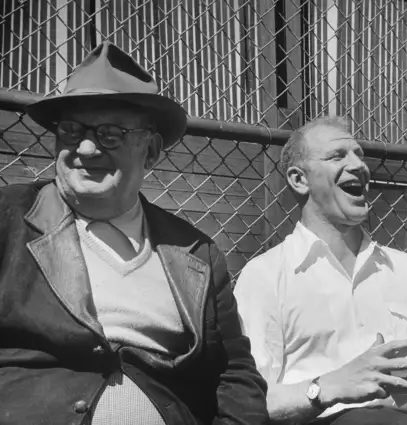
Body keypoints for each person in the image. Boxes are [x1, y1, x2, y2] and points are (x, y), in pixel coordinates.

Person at [0, 41, 268, 425]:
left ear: (151, 150)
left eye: (110, 134)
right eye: (72, 130)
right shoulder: (9, 218)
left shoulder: (195, 252)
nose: (86, 148)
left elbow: (235, 375)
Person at [233, 117, 407, 425]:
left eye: (359, 154)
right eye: (338, 156)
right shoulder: (266, 276)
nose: (359, 165)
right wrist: (330, 388)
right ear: (299, 180)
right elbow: (251, 402)